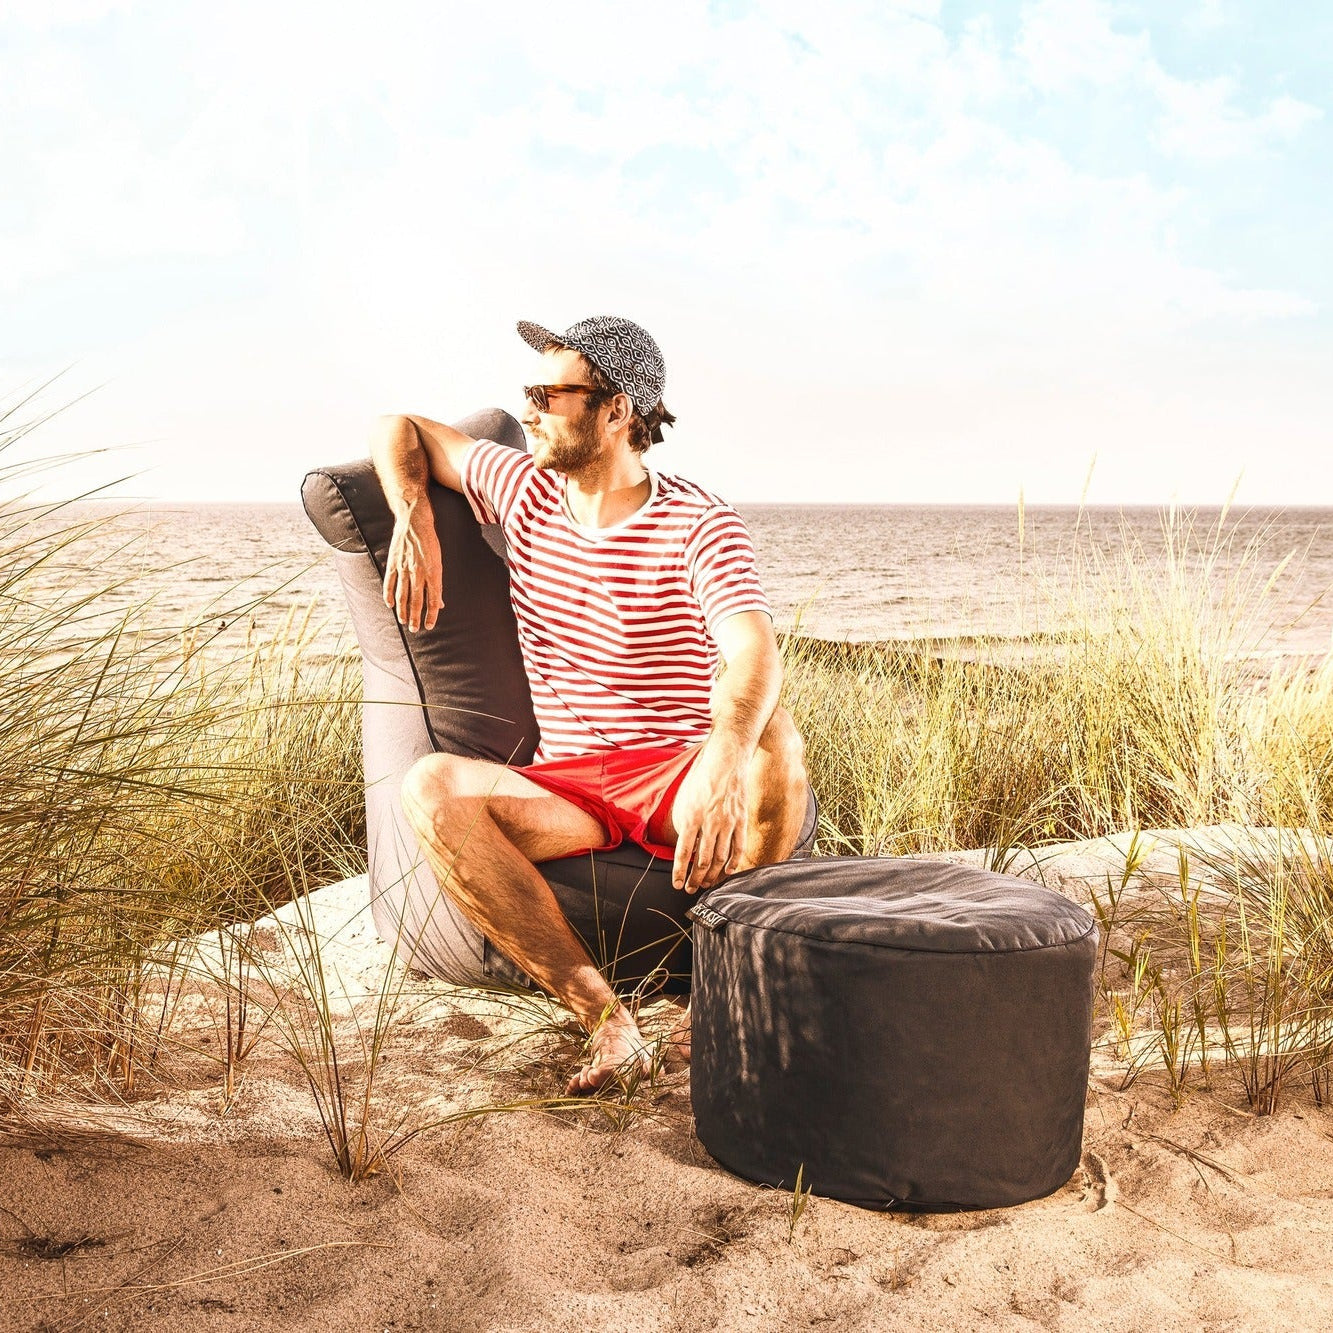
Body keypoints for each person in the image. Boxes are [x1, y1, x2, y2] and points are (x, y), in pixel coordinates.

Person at [369, 316, 809, 1094]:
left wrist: (722, 758)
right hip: (569, 782)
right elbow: (398, 426)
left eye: (550, 393)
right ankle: (607, 1023)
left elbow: (752, 652)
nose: (530, 409)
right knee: (428, 785)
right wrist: (412, 513)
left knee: (775, 738)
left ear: (617, 411)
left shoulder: (697, 523)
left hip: (676, 775)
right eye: (527, 393)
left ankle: (717, 996)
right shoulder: (525, 489)